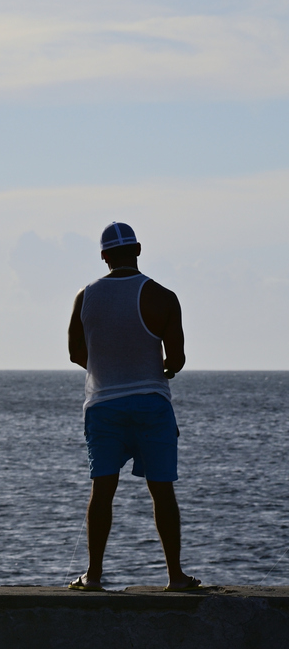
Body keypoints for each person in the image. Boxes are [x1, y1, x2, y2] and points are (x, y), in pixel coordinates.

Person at [66, 222, 200, 592]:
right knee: (162, 491)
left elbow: (77, 353)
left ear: (104, 256)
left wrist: (109, 368)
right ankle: (175, 577)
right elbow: (175, 360)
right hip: (151, 404)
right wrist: (156, 369)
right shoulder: (163, 297)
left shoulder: (85, 296)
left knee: (102, 490)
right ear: (138, 250)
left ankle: (93, 577)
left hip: (103, 405)